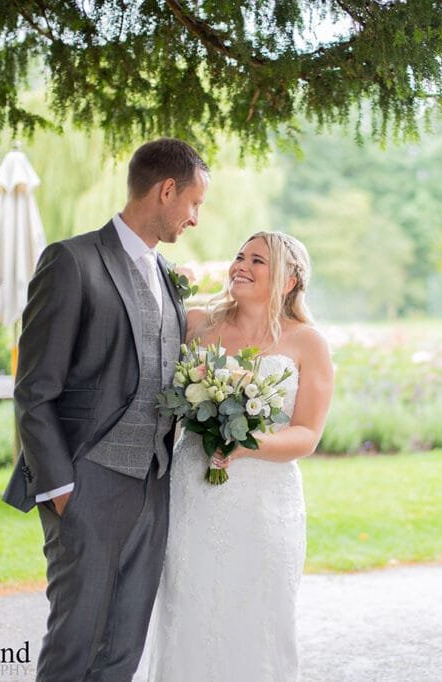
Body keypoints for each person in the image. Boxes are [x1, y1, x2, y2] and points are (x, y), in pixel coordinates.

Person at [2, 138, 210, 681]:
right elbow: (34, 387)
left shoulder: (166, 277)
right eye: (194, 203)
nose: (195, 218)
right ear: (166, 191)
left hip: (153, 484)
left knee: (123, 648)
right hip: (87, 482)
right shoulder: (72, 261)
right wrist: (61, 488)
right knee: (76, 643)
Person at [144, 231, 334, 681]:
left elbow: (306, 435)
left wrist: (245, 442)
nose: (240, 266)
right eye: (239, 257)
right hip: (195, 492)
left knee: (258, 611)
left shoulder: (308, 342)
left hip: (266, 504)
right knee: (191, 604)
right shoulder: (196, 324)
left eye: (257, 261)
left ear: (288, 281)